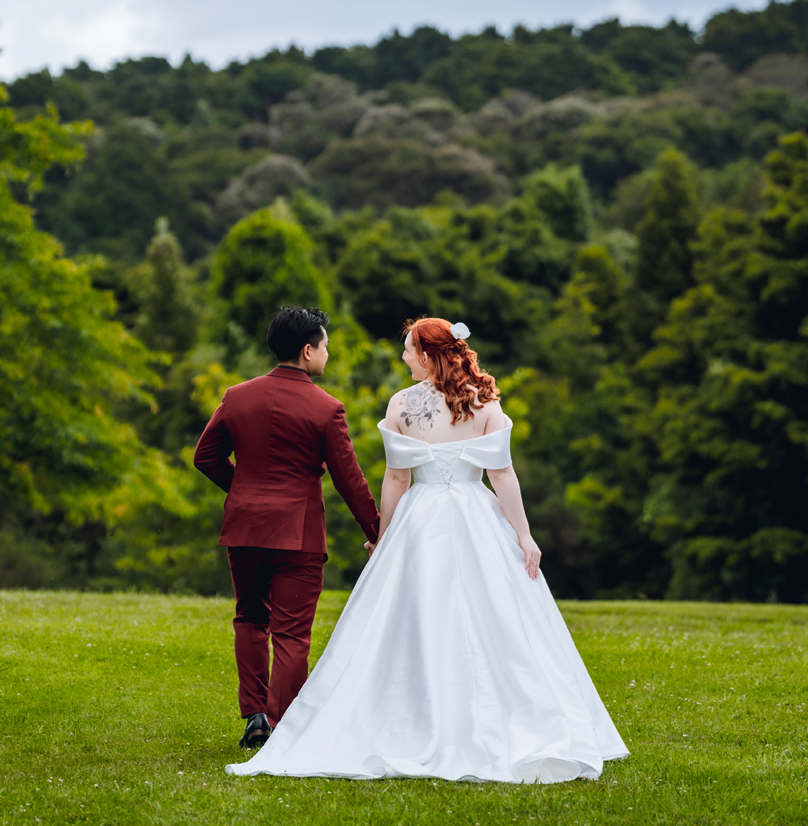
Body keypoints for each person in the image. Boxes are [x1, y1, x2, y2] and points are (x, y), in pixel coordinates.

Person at [226, 317, 628, 783]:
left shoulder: (402, 405)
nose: (402, 358)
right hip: (477, 515)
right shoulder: (485, 402)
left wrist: (385, 535)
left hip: (422, 517)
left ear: (428, 354)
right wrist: (523, 534)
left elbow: (397, 479)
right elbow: (502, 476)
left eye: (408, 351)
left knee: (414, 614)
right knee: (495, 614)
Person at [193, 306, 381, 750]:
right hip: (297, 533)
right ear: (307, 349)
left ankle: (256, 716)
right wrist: (375, 529)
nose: (327, 354)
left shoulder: (237, 395)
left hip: (244, 528)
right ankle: (281, 729)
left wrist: (241, 489)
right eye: (325, 346)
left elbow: (206, 457)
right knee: (293, 632)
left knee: (250, 617)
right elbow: (348, 479)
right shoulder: (326, 408)